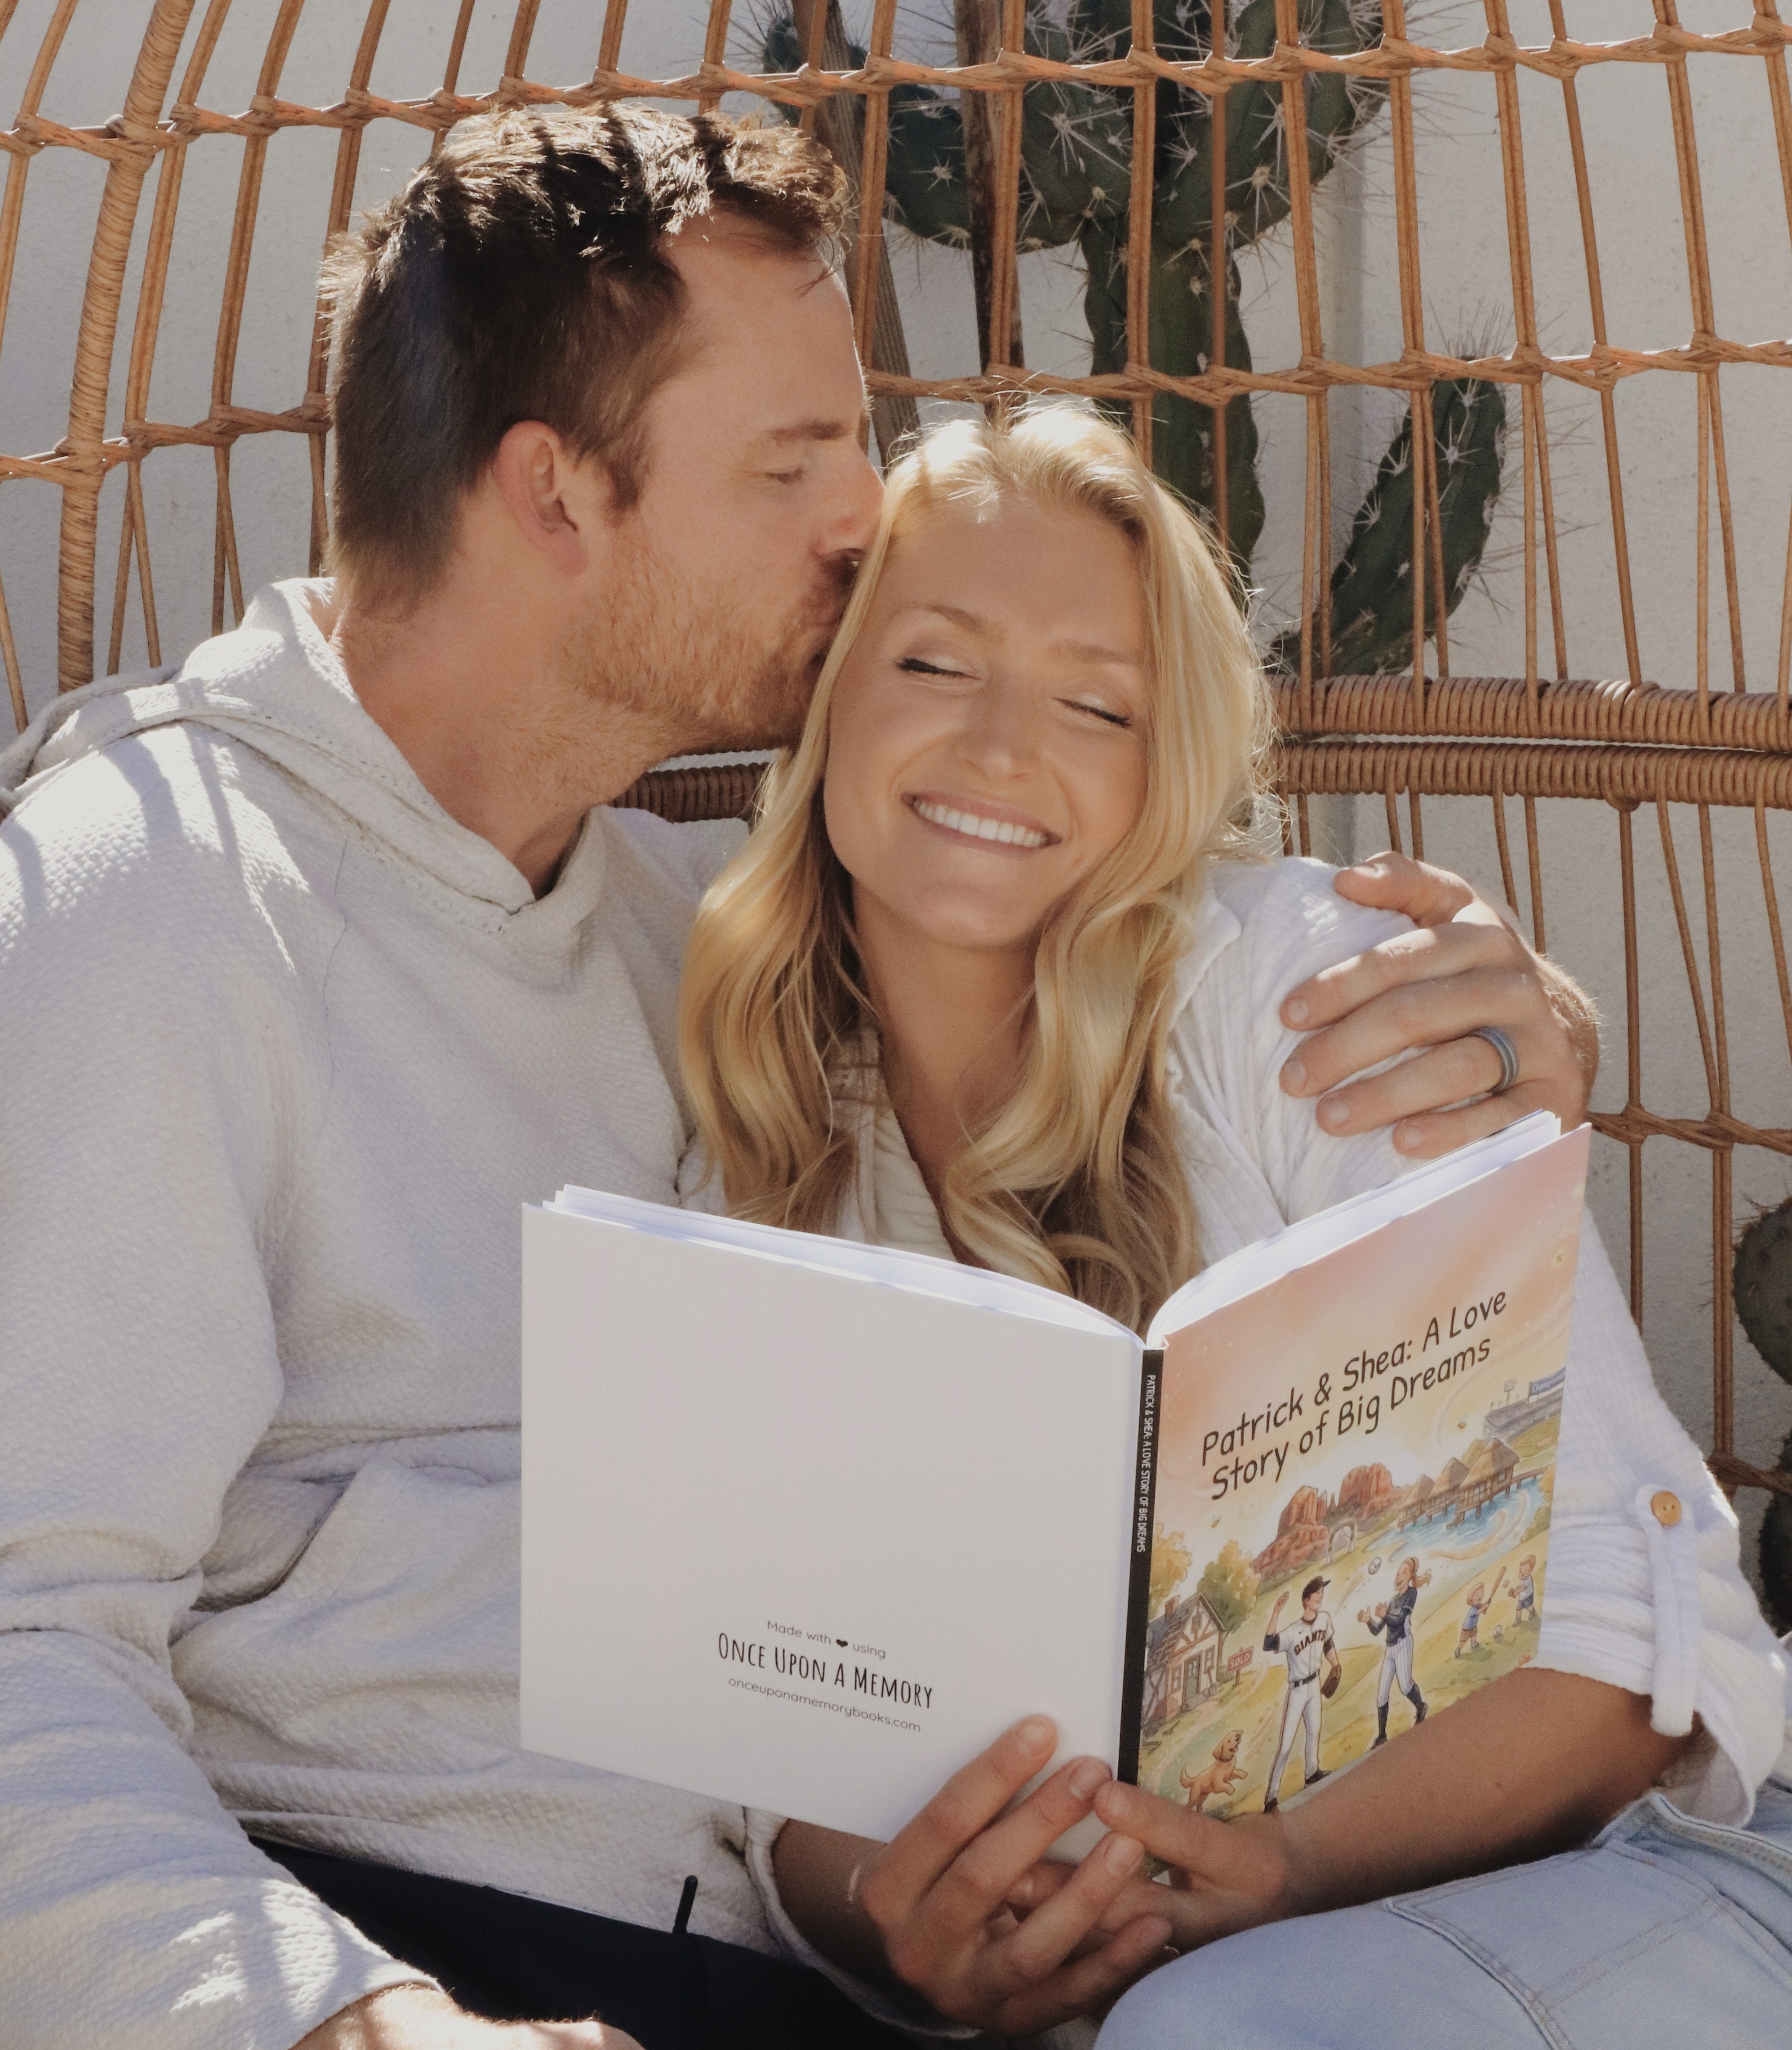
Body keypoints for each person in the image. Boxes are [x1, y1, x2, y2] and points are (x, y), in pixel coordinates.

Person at [0, 103, 1610, 2050]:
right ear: (555, 497)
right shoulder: (147, 905)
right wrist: (345, 2021)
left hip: (838, 1963)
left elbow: (1083, 922)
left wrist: (1488, 1028)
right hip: (443, 1944)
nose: (868, 513)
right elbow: (22, 1638)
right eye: (793, 462)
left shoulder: (692, 933)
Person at [676, 406, 1792, 2044]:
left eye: (1092, 700)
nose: (1000, 745)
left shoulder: (1306, 999)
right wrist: (906, 1929)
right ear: (823, 690)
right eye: (931, 663)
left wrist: (1277, 1866)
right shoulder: (757, 1122)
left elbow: (1631, 1649)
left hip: (1621, 1874)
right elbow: (767, 1731)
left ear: (1164, 761)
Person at [1260, 1580, 1342, 1811]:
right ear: (1306, 1600)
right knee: (1286, 1745)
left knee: (1314, 1731)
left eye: (1322, 1592)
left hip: (1315, 1684)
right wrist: (1276, 1611)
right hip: (1297, 1690)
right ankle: (1271, 1795)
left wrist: (1335, 1664)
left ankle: (1312, 1773)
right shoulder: (1292, 1631)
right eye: (1316, 1593)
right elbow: (1268, 1644)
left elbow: (1328, 1643)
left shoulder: (1325, 1619)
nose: (1321, 1595)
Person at [1361, 1554, 1432, 1746]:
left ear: (1410, 1577)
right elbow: (1377, 1631)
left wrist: (1386, 1614)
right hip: (1390, 1649)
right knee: (1382, 1694)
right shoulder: (1392, 1601)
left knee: (1405, 1686)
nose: (1400, 1575)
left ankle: (1421, 1706)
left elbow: (1400, 1621)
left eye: (1405, 1572)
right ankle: (1382, 1736)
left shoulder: (1411, 1594)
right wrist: (1369, 1620)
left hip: (1403, 1644)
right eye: (1399, 1571)